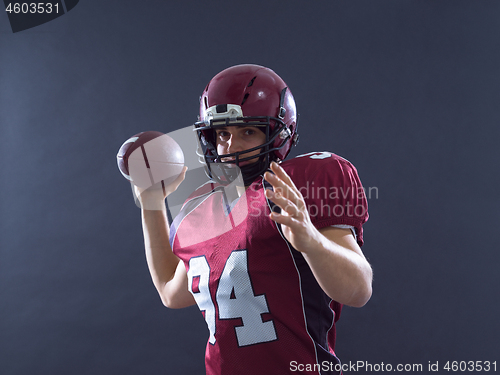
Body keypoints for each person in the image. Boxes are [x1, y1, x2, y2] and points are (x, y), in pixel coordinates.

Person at [137, 64, 372, 375]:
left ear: (277, 133)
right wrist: (151, 203)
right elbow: (170, 291)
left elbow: (358, 289)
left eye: (247, 131)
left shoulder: (300, 185)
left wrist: (311, 241)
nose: (230, 147)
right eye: (222, 133)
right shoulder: (199, 208)